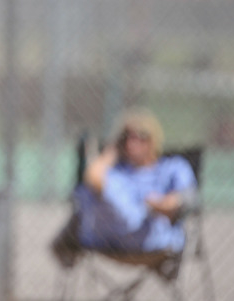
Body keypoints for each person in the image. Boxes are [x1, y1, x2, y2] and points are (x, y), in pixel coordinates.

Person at [51, 107, 198, 268]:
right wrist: (110, 153)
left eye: (141, 137)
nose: (131, 144)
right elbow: (92, 178)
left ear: (153, 140)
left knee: (101, 193)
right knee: (91, 190)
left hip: (152, 240)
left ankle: (67, 239)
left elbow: (182, 200)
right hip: (109, 238)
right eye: (126, 138)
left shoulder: (172, 167)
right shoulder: (116, 172)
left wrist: (159, 205)